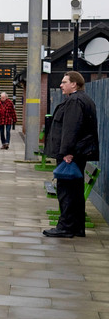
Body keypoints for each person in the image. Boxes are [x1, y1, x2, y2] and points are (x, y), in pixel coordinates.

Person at [43, 71, 100, 238]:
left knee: (66, 191)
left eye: (64, 82)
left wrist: (67, 152)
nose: (61, 85)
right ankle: (76, 227)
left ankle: (66, 227)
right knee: (75, 192)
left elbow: (71, 128)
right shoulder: (84, 99)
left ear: (74, 84)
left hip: (71, 154)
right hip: (78, 152)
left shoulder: (74, 101)